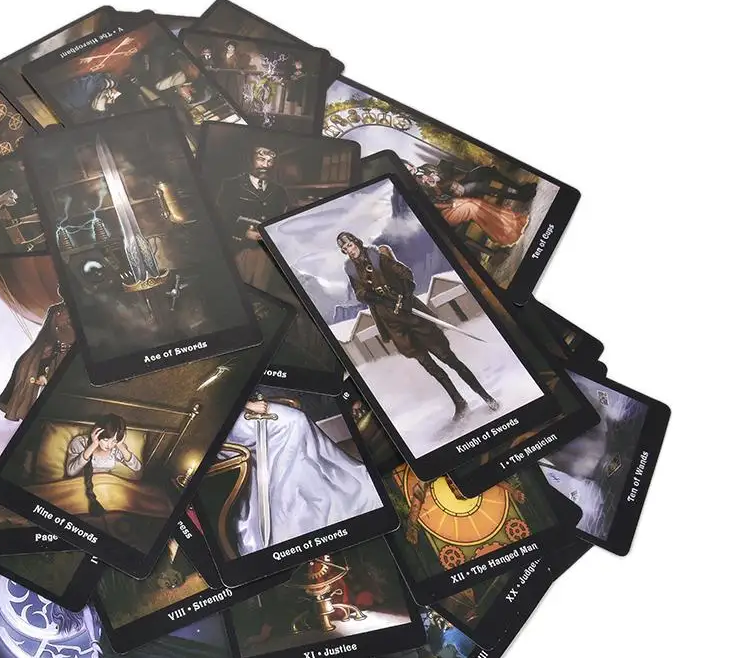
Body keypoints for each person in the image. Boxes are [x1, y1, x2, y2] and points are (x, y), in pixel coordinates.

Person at [337, 231, 498, 420]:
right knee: (431, 367)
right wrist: (379, 299)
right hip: (394, 325)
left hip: (413, 316)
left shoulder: (377, 257)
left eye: (350, 245)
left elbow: (405, 274)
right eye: (345, 249)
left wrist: (406, 297)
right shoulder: (352, 270)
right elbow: (360, 293)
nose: (349, 250)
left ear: (356, 242)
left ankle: (485, 396)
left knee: (448, 358)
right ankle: (459, 402)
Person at [224, 396, 382, 556]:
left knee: (298, 420)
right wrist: (248, 404)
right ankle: (288, 512)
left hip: (236, 408)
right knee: (292, 424)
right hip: (224, 423)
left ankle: (314, 493)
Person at [215, 144, 290, 290]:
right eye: (261, 159)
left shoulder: (279, 191)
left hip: (267, 251)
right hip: (239, 248)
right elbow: (220, 218)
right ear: (250, 160)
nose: (266, 165)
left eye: (270, 161)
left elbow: (283, 220)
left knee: (261, 289)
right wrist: (244, 232)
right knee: (237, 287)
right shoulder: (231, 185)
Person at [413, 161, 535, 248]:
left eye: (409, 166)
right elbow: (436, 202)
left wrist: (453, 181)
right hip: (451, 200)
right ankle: (507, 224)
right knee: (478, 187)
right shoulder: (417, 187)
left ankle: (520, 190)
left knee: (484, 171)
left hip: (456, 186)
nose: (411, 169)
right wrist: (437, 186)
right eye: (408, 170)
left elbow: (449, 175)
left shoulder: (426, 168)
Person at [0, 302, 74, 422]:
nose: (66, 317)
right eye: (62, 314)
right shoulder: (53, 326)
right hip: (42, 367)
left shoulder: (68, 325)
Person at [65, 414, 142, 517]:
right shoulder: (80, 443)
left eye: (114, 441)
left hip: (105, 489)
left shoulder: (116, 448)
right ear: (97, 432)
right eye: (106, 440)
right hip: (82, 487)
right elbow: (71, 472)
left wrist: (120, 446)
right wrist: (93, 445)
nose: (109, 445)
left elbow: (137, 467)